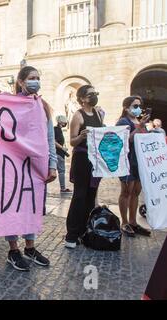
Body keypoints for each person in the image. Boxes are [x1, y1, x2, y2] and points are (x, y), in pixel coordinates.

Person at [4, 66, 57, 271]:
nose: (35, 81)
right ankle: (13, 249)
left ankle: (30, 247)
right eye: (31, 78)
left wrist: (52, 164)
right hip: (13, 165)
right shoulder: (10, 104)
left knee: (32, 206)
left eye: (37, 77)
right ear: (21, 81)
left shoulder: (43, 106)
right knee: (12, 206)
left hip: (36, 165)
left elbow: (49, 137)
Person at [65, 85, 104, 249]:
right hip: (82, 158)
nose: (94, 96)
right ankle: (71, 235)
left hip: (95, 159)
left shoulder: (98, 113)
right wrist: (80, 136)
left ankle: (84, 230)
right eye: (90, 94)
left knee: (91, 196)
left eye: (95, 93)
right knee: (80, 196)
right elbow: (72, 141)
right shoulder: (78, 116)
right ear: (82, 98)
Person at [116, 96, 151, 237]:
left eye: (139, 106)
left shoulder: (139, 122)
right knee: (126, 192)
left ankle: (133, 221)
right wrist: (141, 126)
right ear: (126, 108)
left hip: (140, 162)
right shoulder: (123, 122)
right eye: (135, 106)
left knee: (136, 192)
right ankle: (124, 222)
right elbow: (126, 140)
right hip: (128, 161)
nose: (138, 109)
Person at [54, 115, 72, 193]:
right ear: (61, 122)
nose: (65, 123)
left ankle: (63, 188)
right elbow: (53, 141)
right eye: (65, 122)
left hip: (59, 153)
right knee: (61, 171)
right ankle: (63, 188)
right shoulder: (56, 129)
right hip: (58, 153)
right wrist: (62, 148)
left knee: (60, 171)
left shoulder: (58, 129)